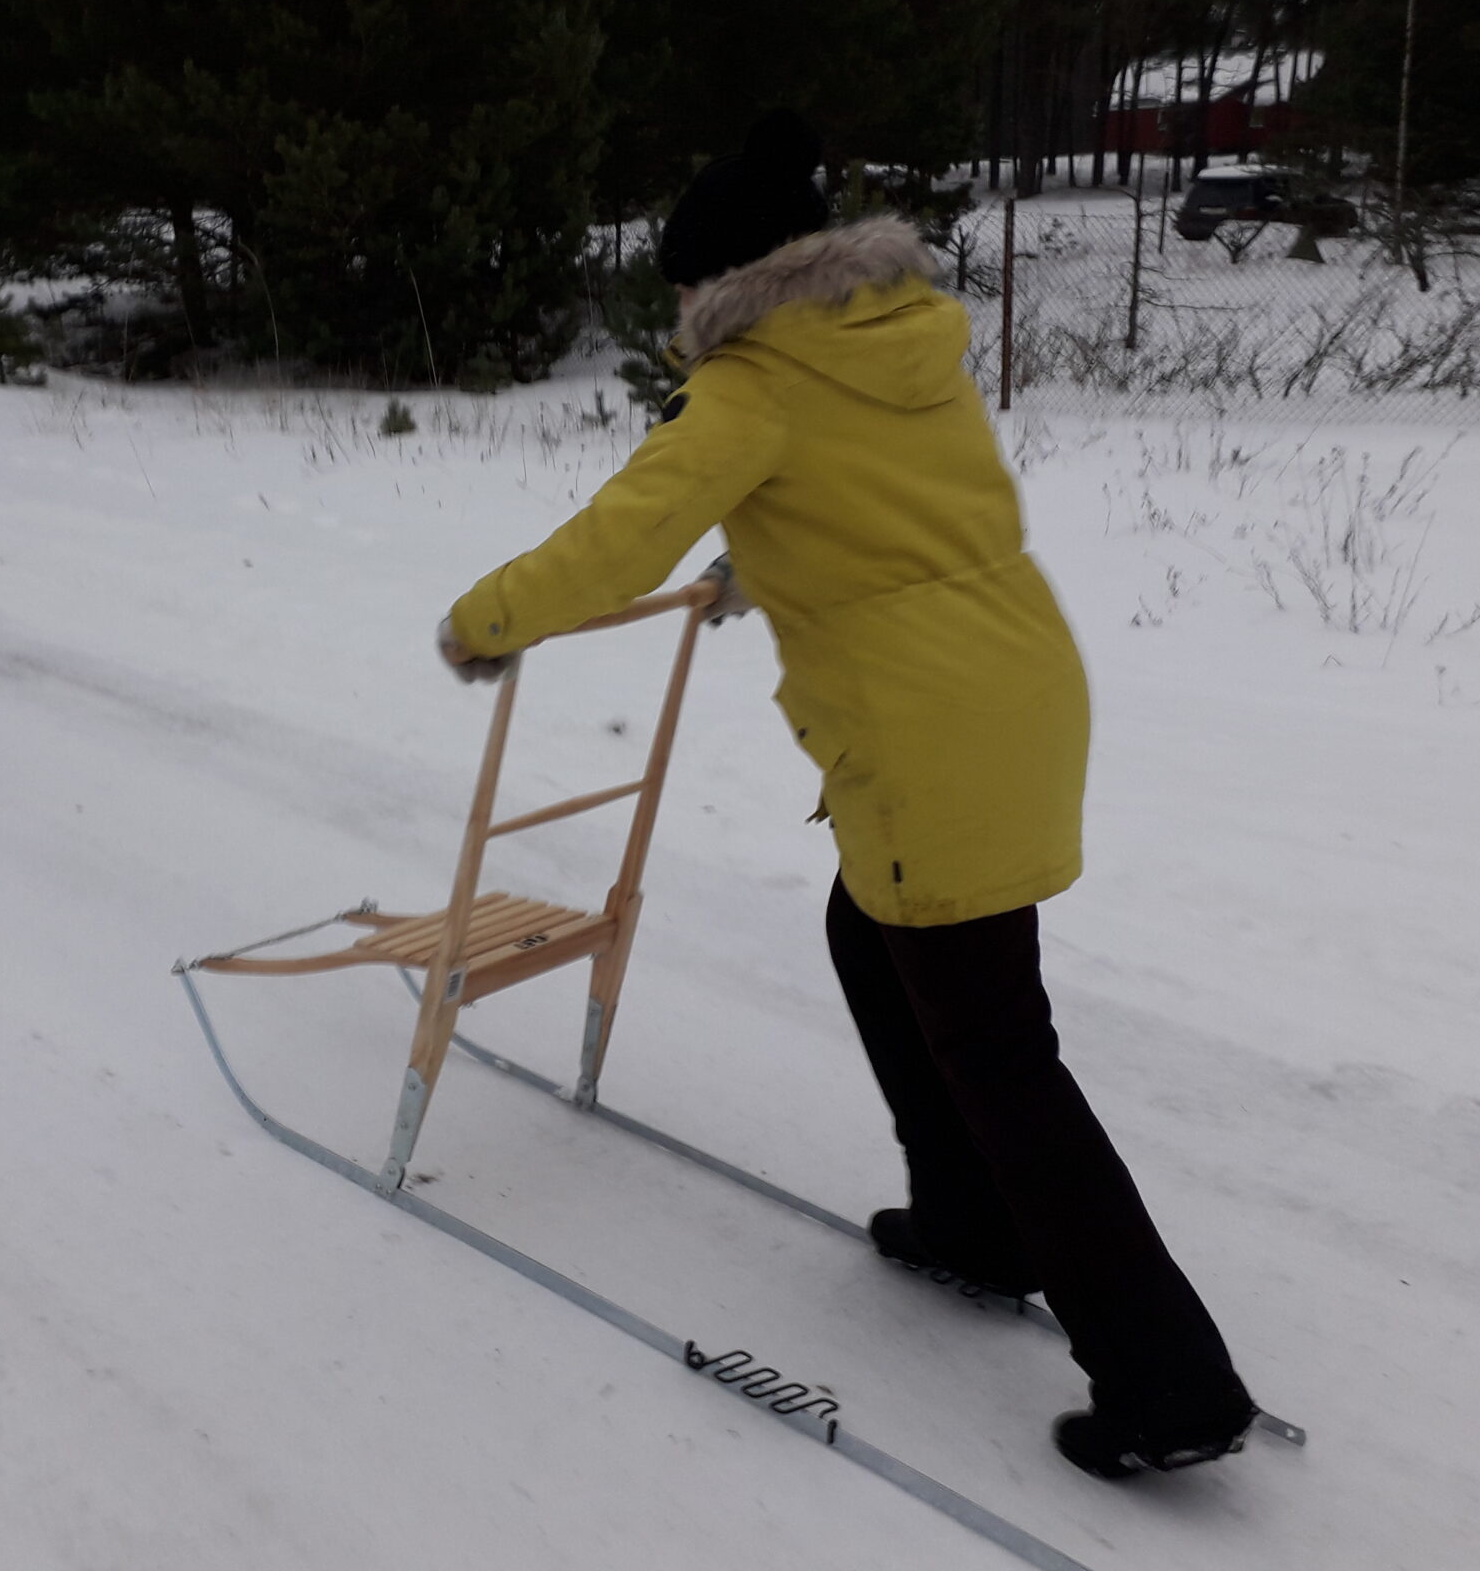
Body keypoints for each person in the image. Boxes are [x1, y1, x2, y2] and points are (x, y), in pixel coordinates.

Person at [435, 111, 1256, 1479]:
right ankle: (971, 1226)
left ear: (721, 285)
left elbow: (614, 540)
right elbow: (884, 508)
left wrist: (485, 621)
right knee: (870, 939)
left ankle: (1168, 1380)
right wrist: (758, 565)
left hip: (921, 728)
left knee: (999, 1048)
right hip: (1017, 687)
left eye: (686, 292)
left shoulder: (753, 386)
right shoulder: (901, 343)